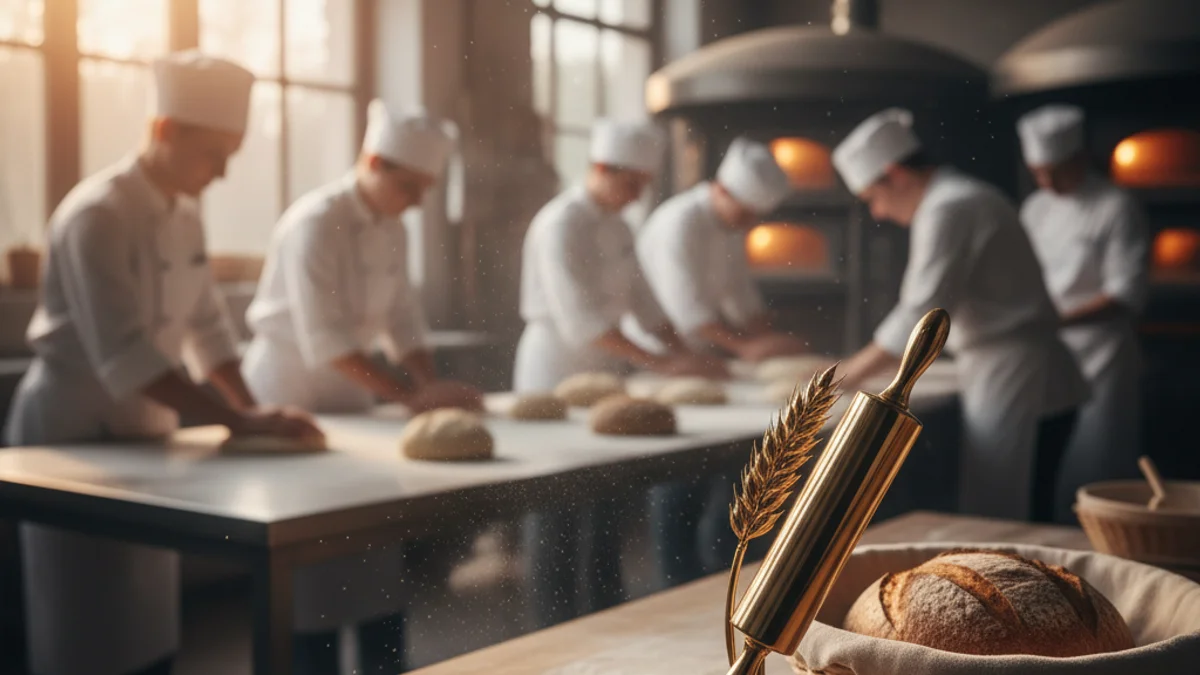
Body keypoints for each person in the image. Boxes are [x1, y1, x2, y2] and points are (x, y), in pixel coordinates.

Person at [3, 51, 322, 675]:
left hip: (148, 433)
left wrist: (249, 408)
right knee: (86, 629)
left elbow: (206, 328)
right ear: (164, 132)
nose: (224, 173)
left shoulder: (183, 213)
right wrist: (240, 422)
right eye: (214, 153)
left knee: (148, 626)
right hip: (75, 438)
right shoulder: (98, 214)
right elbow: (125, 355)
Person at [242, 98, 483, 672]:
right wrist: (407, 397)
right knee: (309, 576)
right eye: (411, 186)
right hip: (289, 392)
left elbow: (402, 318)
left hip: (349, 397)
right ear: (374, 161)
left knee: (371, 553)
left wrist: (427, 382)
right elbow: (323, 339)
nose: (419, 201)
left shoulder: (393, 229)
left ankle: (383, 661)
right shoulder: (315, 222)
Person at [829, 108, 1089, 523]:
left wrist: (842, 378)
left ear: (895, 173)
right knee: (1022, 507)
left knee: (1003, 516)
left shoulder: (949, 207)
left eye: (872, 198)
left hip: (1015, 373)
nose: (876, 213)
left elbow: (920, 312)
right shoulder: (963, 196)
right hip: (1024, 368)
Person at [515, 118, 723, 628]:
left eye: (643, 186)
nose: (636, 196)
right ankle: (555, 634)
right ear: (601, 168)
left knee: (607, 505)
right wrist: (662, 363)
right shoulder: (559, 223)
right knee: (557, 514)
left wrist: (682, 351)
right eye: (630, 184)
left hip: (606, 374)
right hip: (554, 368)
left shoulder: (620, 227)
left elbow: (646, 305)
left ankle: (607, 623)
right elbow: (583, 321)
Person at [632, 137, 803, 586]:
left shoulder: (725, 227)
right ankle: (677, 580)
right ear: (723, 191)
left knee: (723, 467)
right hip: (666, 362)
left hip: (705, 357)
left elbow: (738, 293)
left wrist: (766, 334)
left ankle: (718, 571)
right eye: (746, 214)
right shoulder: (679, 223)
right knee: (679, 472)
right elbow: (685, 308)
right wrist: (746, 349)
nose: (749, 224)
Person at [1017, 104, 1150, 524]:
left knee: (1097, 466)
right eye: (1038, 171)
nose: (1047, 181)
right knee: (1049, 470)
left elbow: (1126, 293)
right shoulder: (1035, 209)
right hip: (1048, 354)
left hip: (1101, 356)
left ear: (1080, 158)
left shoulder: (1116, 207)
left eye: (1055, 170)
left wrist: (1056, 320)